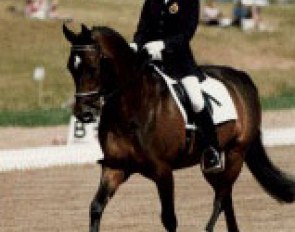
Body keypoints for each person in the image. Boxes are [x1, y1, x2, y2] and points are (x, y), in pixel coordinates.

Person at [130, 0, 224, 173]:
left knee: (196, 100)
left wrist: (164, 45)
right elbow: (143, 29)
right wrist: (136, 43)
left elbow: (187, 33)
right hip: (151, 61)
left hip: (179, 63)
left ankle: (212, 149)